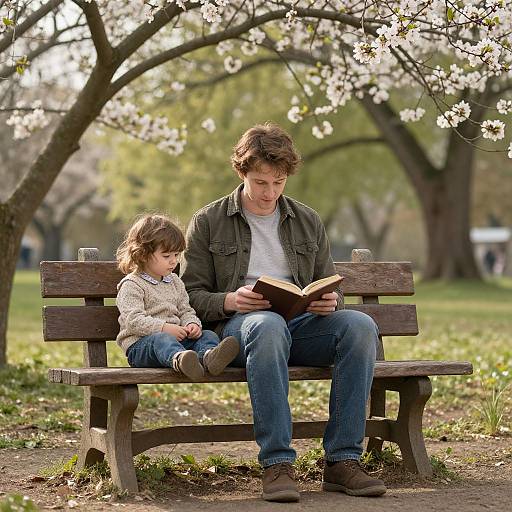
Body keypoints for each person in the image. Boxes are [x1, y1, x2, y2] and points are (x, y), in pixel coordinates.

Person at [181, 123, 386, 502]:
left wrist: (331, 301)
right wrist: (230, 301)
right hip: (242, 330)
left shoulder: (306, 219)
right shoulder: (209, 221)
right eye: (260, 182)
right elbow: (189, 295)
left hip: (302, 325)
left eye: (278, 183)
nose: (269, 193)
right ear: (242, 172)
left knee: (359, 325)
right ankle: (276, 463)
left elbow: (328, 282)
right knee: (267, 324)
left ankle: (343, 461)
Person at [115, 213, 239, 380]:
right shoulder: (132, 285)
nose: (174, 261)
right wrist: (164, 328)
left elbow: (185, 309)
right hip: (142, 346)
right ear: (143, 254)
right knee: (161, 340)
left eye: (176, 255)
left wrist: (191, 324)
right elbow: (133, 321)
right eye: (167, 256)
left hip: (178, 342)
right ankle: (180, 360)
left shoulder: (174, 281)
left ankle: (208, 357)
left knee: (208, 335)